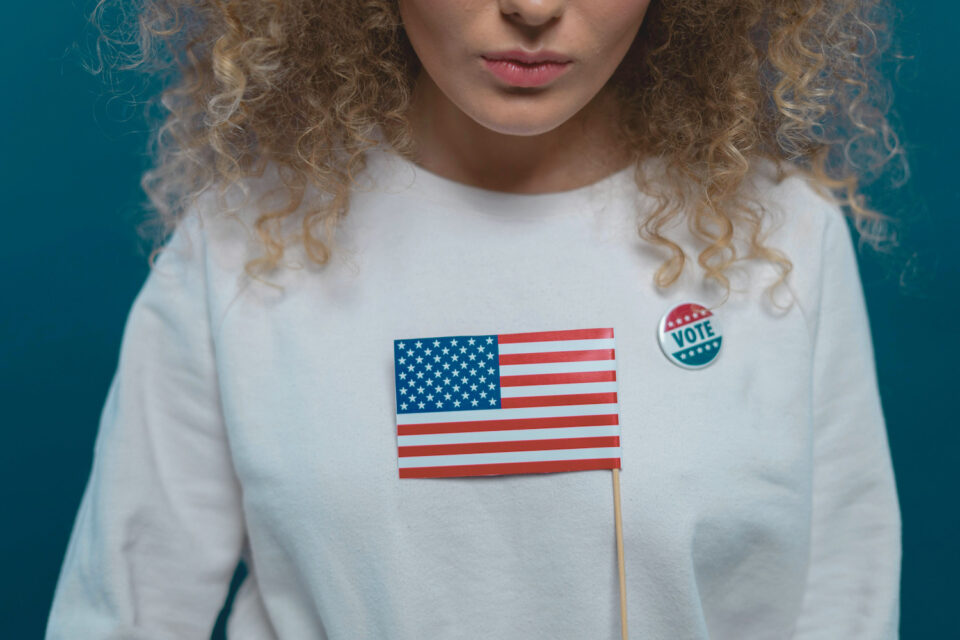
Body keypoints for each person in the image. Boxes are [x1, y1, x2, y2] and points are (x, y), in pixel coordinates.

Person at [47, 0, 904, 638]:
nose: (532, 9)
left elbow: (842, 605)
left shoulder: (784, 238)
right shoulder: (239, 246)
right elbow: (120, 614)